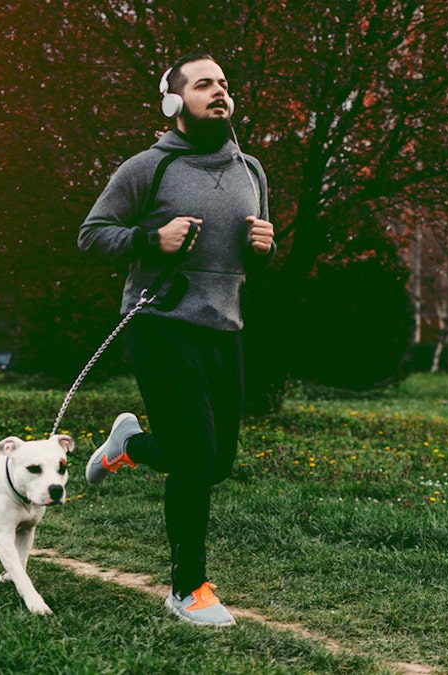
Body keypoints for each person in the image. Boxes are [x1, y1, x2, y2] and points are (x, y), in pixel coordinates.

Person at [77, 54, 275, 627]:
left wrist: (265, 247)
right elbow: (93, 236)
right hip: (160, 323)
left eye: (224, 85)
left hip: (224, 327)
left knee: (217, 463)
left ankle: (130, 446)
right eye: (204, 84)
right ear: (174, 101)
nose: (220, 93)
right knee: (193, 458)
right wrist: (150, 238)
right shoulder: (147, 168)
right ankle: (188, 589)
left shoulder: (251, 170)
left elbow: (252, 254)